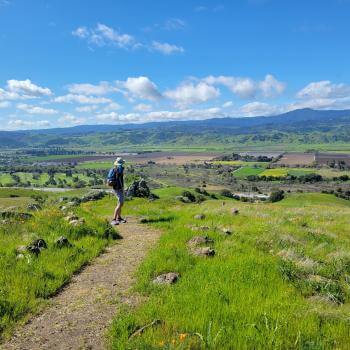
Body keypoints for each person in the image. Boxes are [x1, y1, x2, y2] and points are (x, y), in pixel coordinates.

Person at [107, 157, 127, 225]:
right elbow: (119, 179)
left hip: (118, 188)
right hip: (118, 188)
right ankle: (114, 219)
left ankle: (119, 218)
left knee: (120, 203)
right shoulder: (119, 169)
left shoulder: (115, 169)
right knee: (120, 203)